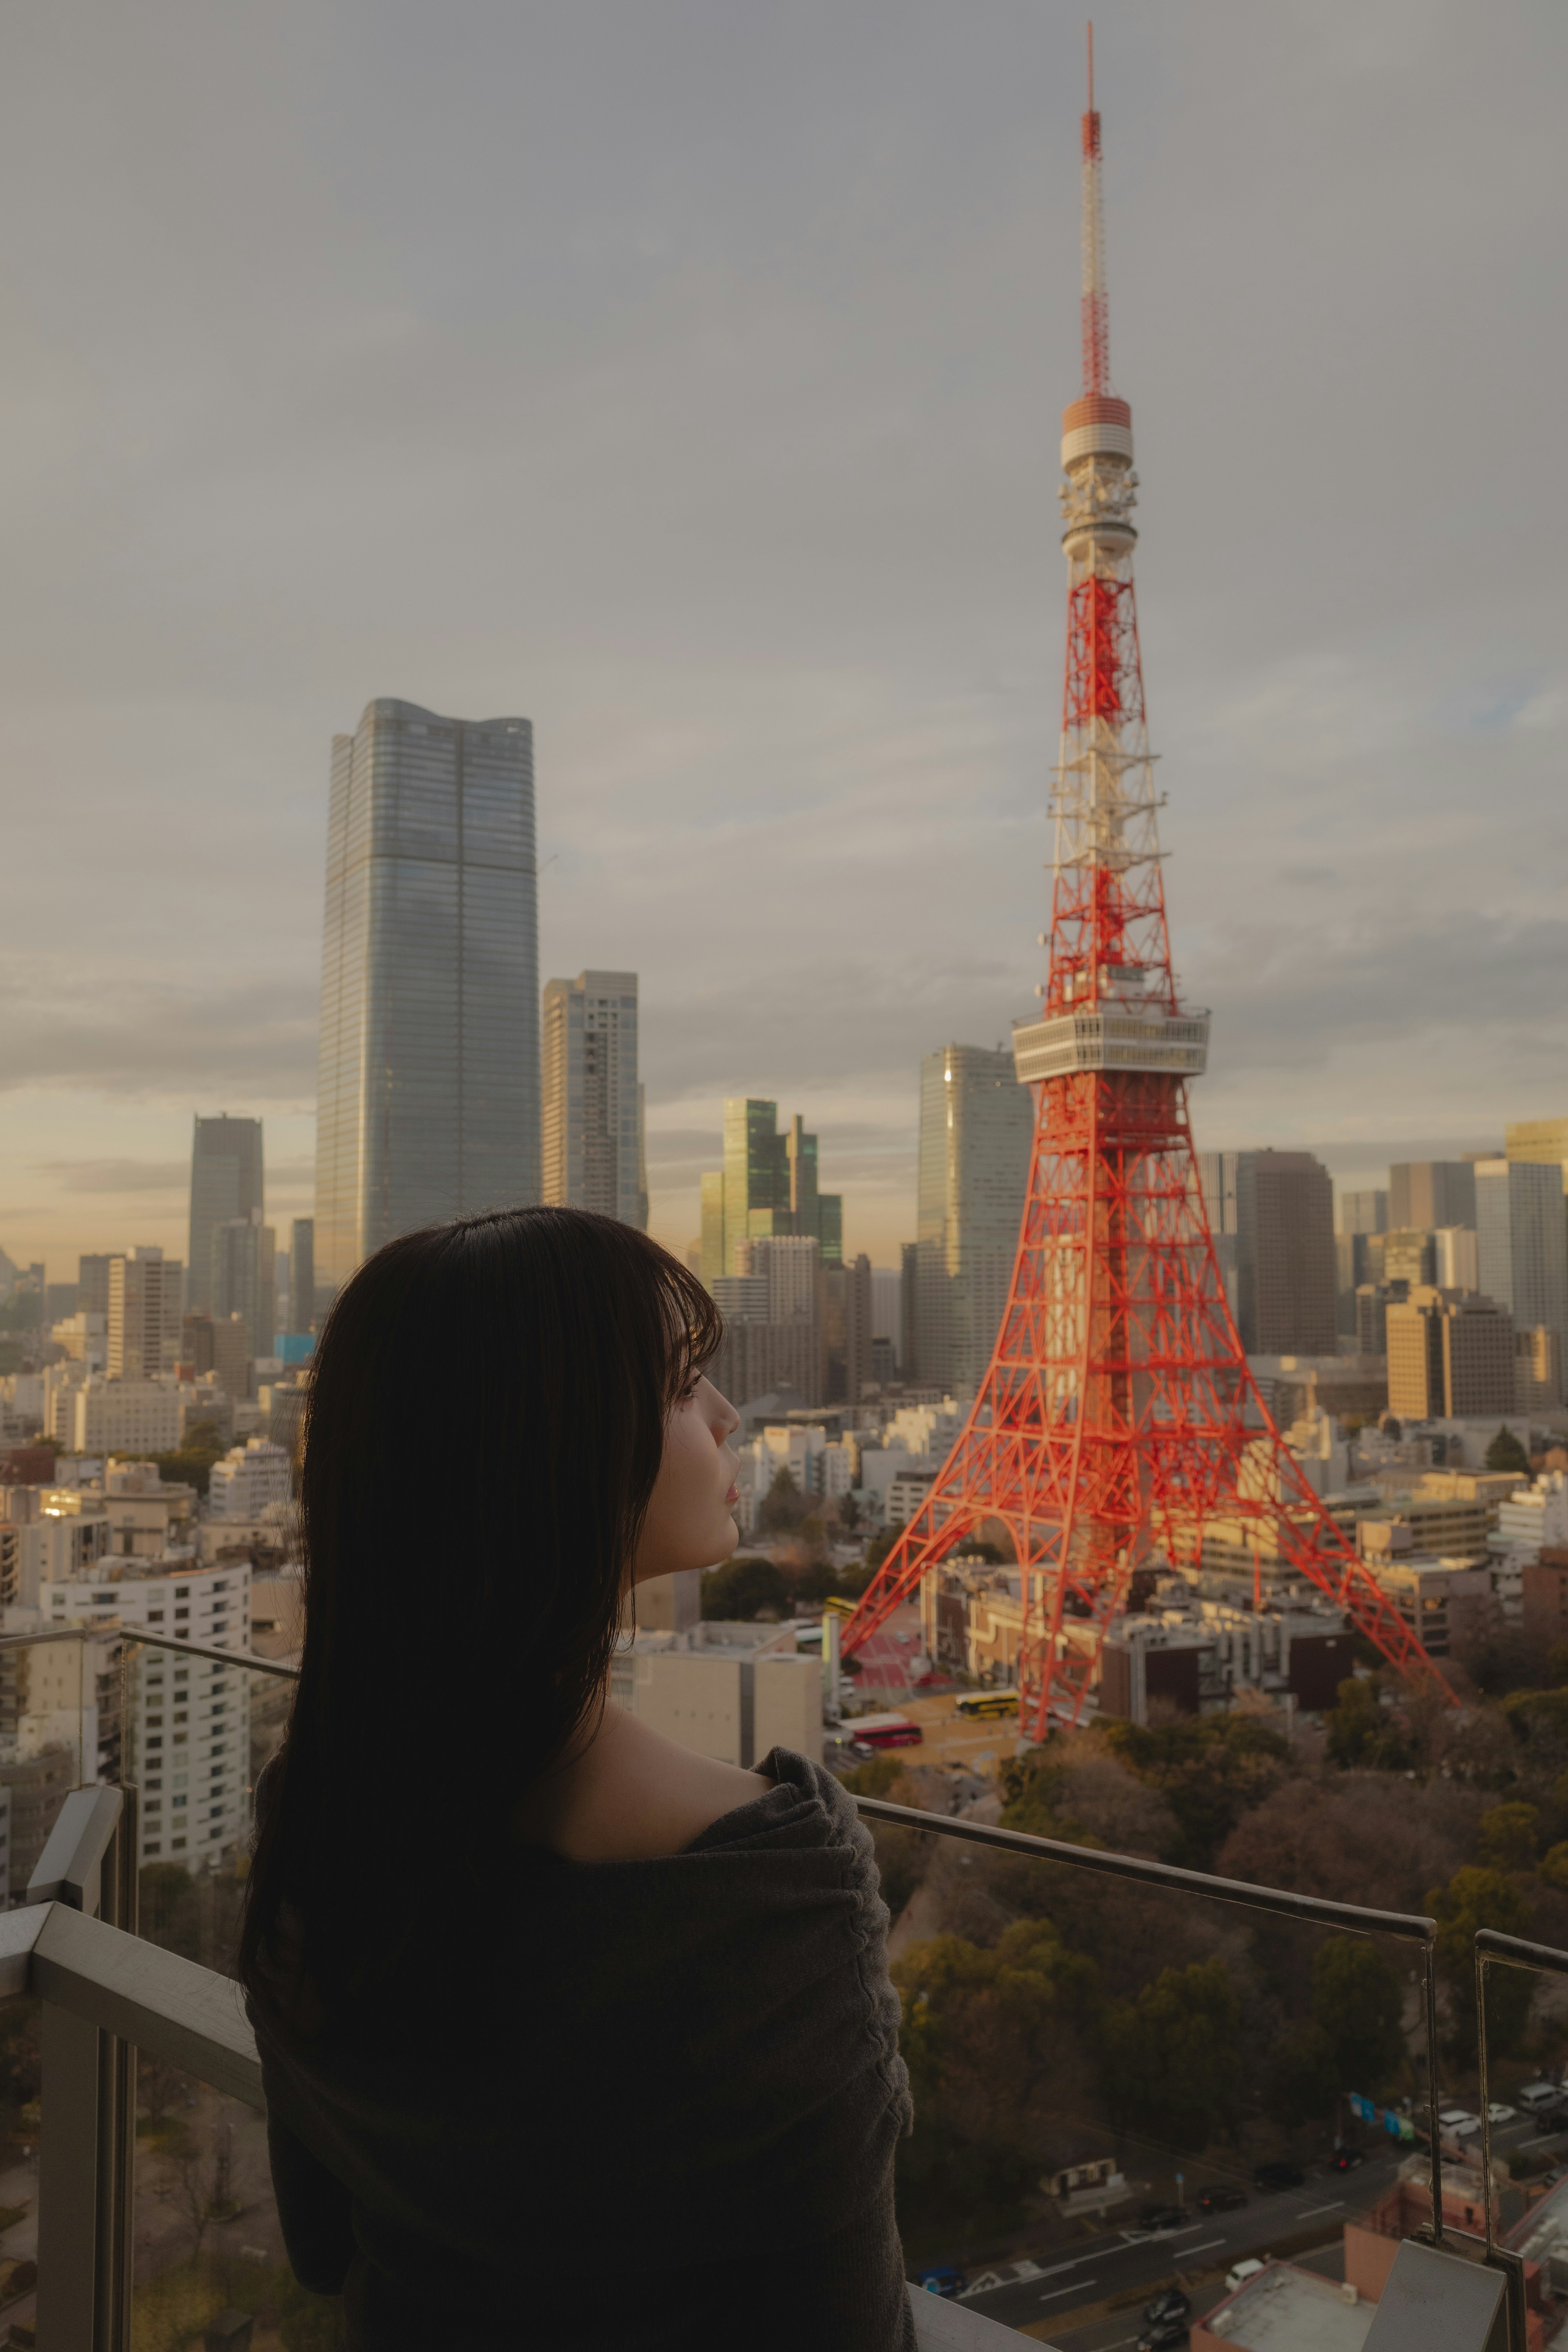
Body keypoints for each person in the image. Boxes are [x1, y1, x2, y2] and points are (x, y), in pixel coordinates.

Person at [240, 1206, 916, 2350]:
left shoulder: (316, 1818)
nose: (727, 1415)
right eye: (679, 1385)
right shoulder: (767, 1888)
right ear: (555, 1448)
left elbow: (319, 2245)